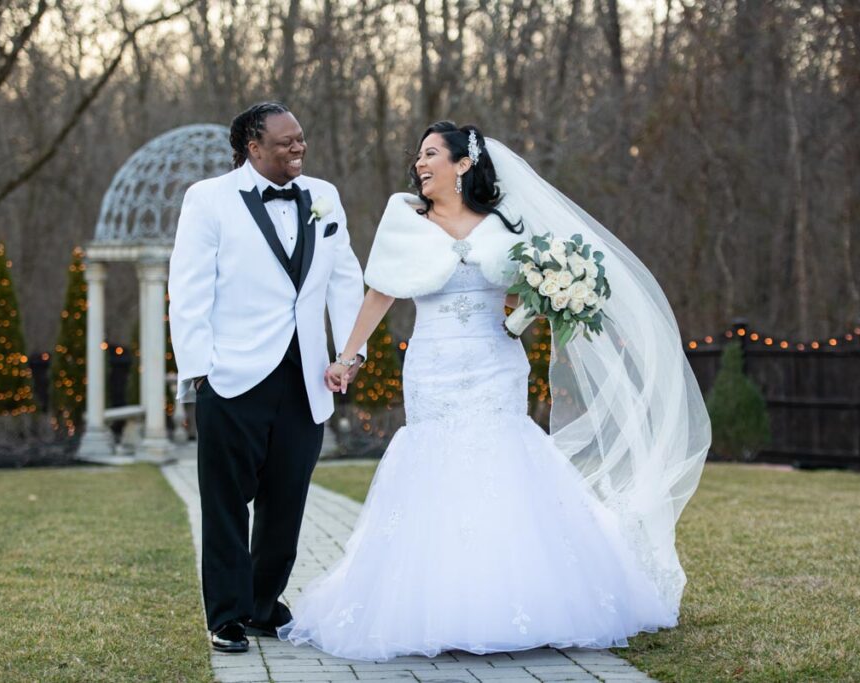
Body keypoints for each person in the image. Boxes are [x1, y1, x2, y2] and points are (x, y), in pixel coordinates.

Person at [277, 121, 711, 661]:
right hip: (433, 365)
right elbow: (380, 293)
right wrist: (347, 357)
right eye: (418, 156)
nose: (420, 163)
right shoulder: (406, 222)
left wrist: (553, 295)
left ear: (463, 164)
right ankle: (440, 603)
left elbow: (515, 296)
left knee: (503, 458)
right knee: (436, 464)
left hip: (495, 363)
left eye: (431, 154)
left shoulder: (504, 223)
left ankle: (522, 599)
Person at [168, 102, 366, 654]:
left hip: (307, 377)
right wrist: (200, 373)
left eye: (301, 138)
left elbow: (345, 277)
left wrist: (351, 354)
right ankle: (227, 616)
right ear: (252, 147)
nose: (298, 147)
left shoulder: (324, 196)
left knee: (287, 502)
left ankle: (262, 604)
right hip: (232, 377)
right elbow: (188, 287)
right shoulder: (208, 199)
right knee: (226, 504)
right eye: (286, 141)